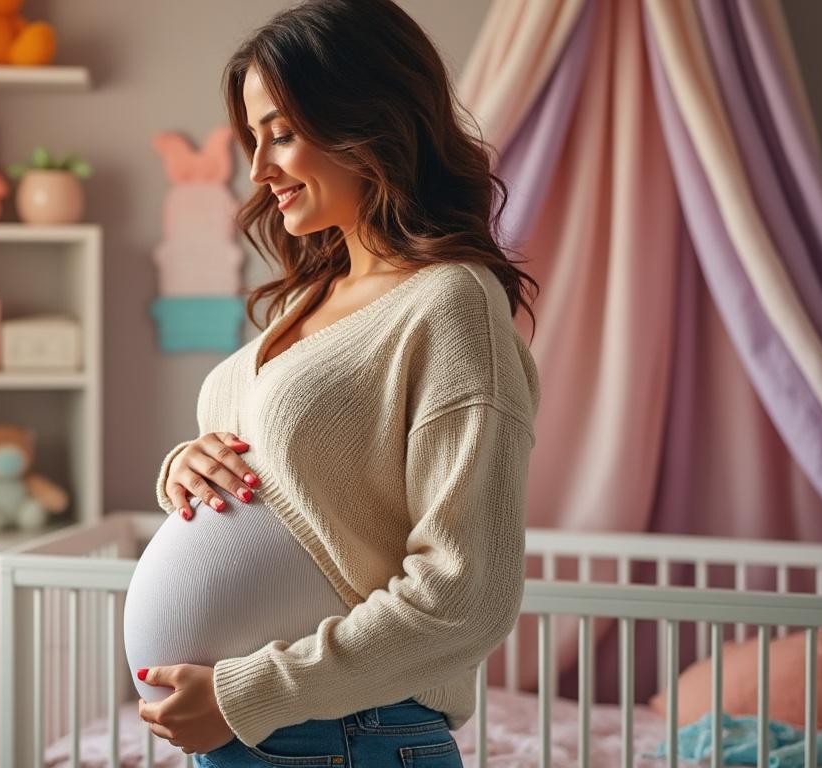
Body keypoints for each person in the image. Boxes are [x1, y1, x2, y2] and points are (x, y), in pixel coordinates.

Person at [136, 0, 542, 765]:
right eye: (253, 139)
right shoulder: (306, 297)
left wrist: (248, 694)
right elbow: (306, 484)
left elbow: (466, 595)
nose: (257, 170)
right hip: (274, 737)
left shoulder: (450, 304)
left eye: (282, 134)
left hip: (349, 734)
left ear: (372, 121)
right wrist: (187, 467)